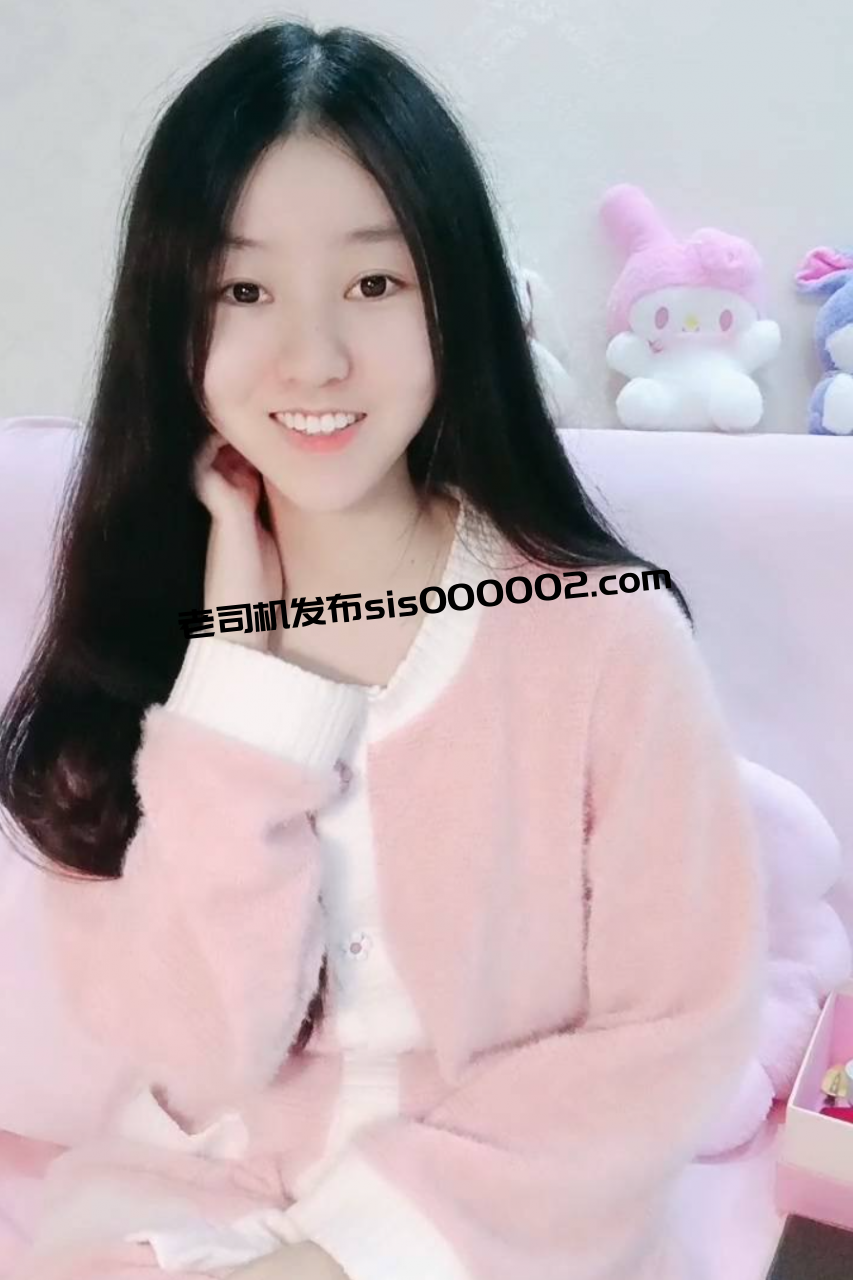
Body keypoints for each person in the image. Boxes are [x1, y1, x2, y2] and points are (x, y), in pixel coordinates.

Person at [0, 18, 766, 1280]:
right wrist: (238, 685)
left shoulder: (603, 637)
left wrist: (351, 1256)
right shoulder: (134, 633)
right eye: (243, 290)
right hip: (188, 1208)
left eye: (372, 283)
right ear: (171, 320)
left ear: (453, 298)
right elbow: (200, 1052)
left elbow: (670, 1031)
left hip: (507, 1233)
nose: (314, 358)